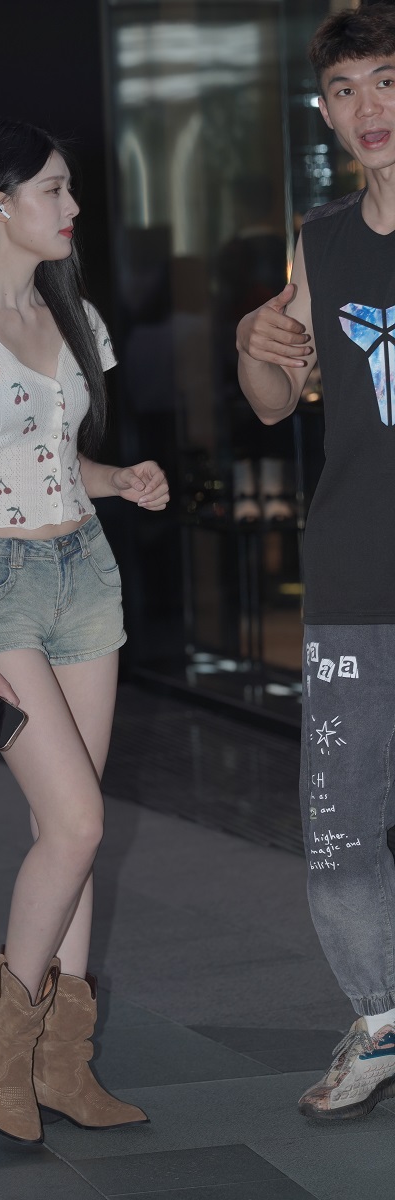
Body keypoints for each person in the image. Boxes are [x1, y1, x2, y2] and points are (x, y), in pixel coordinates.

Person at [0, 116, 169, 1143]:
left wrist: (119, 480)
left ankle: (66, 1064)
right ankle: (4, 1044)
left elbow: (58, 463)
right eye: (55, 189)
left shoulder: (73, 316)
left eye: (68, 188)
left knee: (69, 829)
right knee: (77, 824)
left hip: (83, 574)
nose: (72, 206)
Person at [237, 5, 395, 1121]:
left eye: (386, 80)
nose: (366, 107)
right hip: (351, 574)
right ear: (325, 113)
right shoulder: (319, 239)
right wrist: (254, 346)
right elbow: (270, 401)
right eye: (344, 90)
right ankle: (382, 1021)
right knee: (338, 827)